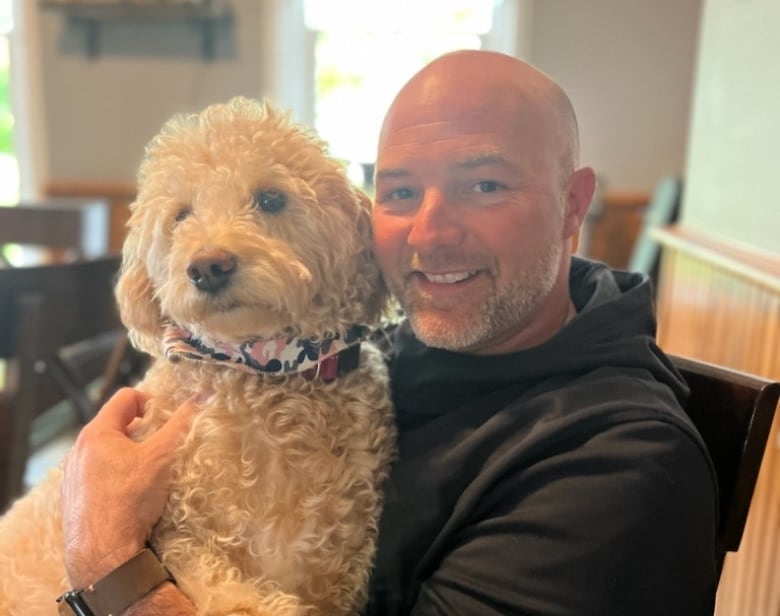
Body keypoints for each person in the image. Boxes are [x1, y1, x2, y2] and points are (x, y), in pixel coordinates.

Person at [61, 50, 718, 615]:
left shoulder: (615, 465)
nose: (430, 232)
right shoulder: (360, 356)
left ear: (574, 203)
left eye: (483, 185)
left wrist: (110, 563)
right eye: (400, 193)